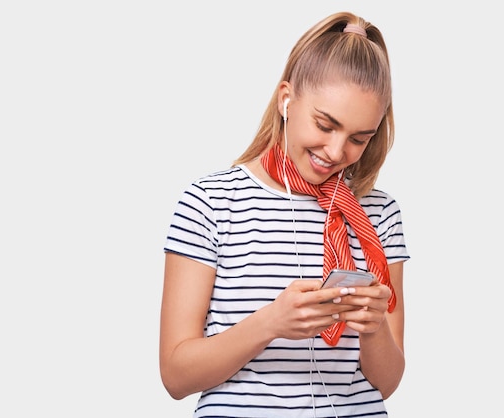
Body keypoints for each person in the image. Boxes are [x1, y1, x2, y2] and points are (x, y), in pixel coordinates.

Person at [160, 11, 410, 418]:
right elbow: (175, 375)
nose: (335, 151)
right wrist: (271, 324)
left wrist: (375, 327)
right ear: (286, 99)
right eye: (325, 124)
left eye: (358, 139)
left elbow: (388, 382)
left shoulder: (380, 214)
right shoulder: (211, 202)